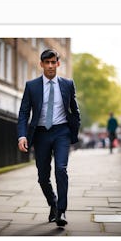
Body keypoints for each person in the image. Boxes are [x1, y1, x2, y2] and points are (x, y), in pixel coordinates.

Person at [17, 49, 81, 227]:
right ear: (42, 64)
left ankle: (61, 211)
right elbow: (23, 112)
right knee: (42, 177)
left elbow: (74, 110)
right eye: (47, 63)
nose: (51, 66)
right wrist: (22, 135)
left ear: (58, 64)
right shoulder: (32, 86)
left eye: (54, 62)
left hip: (61, 132)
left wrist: (74, 129)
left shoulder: (68, 84)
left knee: (61, 169)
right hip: (40, 134)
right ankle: (52, 202)